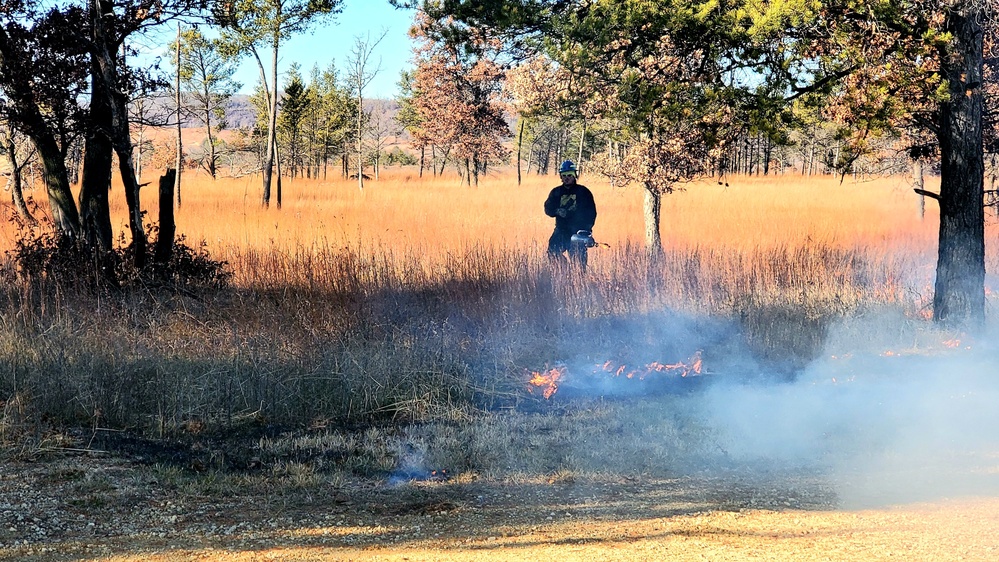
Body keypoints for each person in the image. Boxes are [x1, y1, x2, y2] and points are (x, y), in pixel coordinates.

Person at [544, 160, 597, 269]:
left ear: (575, 175)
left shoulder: (583, 192)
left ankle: (577, 282)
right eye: (564, 175)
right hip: (561, 231)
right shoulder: (556, 192)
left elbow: (591, 213)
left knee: (579, 265)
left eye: (570, 175)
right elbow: (548, 208)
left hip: (578, 233)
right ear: (561, 177)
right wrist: (557, 211)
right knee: (552, 253)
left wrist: (586, 230)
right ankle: (565, 273)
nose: (567, 178)